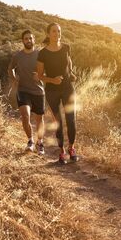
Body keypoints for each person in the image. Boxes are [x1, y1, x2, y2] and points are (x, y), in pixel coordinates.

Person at [37, 23, 79, 164]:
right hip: (52, 91)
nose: (57, 34)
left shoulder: (66, 48)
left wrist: (71, 72)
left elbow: (69, 62)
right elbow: (39, 75)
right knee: (59, 123)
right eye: (54, 31)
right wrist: (52, 80)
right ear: (49, 34)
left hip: (68, 88)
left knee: (71, 120)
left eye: (59, 31)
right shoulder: (43, 53)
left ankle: (72, 148)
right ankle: (61, 152)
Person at [8, 30, 45, 155]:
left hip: (38, 91)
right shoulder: (18, 56)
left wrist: (41, 75)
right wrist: (13, 79)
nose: (28, 40)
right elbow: (10, 69)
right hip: (23, 90)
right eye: (26, 39)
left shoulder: (40, 55)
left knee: (39, 119)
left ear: (34, 40)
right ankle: (30, 141)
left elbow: (47, 72)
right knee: (25, 116)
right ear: (22, 41)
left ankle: (40, 142)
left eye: (30, 38)